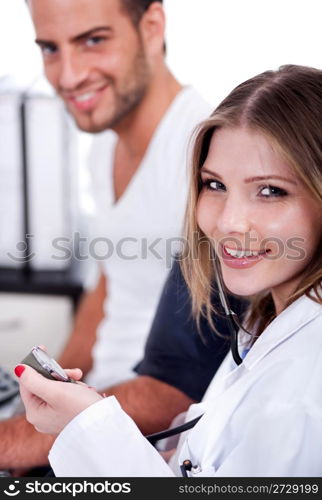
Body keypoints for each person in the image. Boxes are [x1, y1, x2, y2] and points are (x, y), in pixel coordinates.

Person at [17, 64, 322, 476]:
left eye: (270, 191)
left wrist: (87, 428)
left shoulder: (303, 391)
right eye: (214, 185)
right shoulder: (266, 315)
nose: (229, 222)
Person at [0, 0, 213, 471]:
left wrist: (19, 439)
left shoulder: (207, 160)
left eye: (93, 40)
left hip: (138, 446)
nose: (69, 75)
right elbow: (108, 288)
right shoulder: (105, 148)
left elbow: (175, 386)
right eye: (50, 48)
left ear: (152, 26)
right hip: (93, 411)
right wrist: (37, 396)